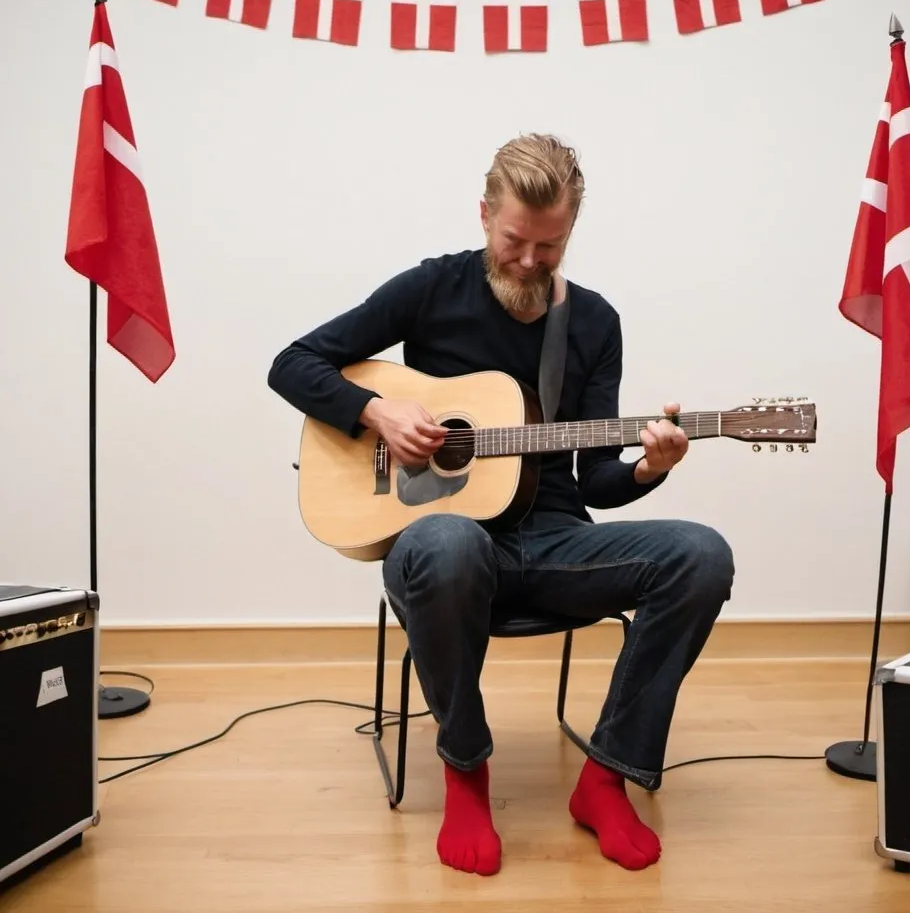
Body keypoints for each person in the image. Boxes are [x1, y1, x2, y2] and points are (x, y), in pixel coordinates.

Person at [267, 133, 735, 876]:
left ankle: (607, 776)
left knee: (702, 555)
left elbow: (595, 483)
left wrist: (649, 468)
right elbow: (291, 363)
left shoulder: (592, 322)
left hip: (553, 540)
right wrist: (375, 413)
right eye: (515, 239)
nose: (528, 261)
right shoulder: (430, 289)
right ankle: (464, 770)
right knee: (450, 545)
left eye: (549, 248)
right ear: (486, 216)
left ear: (571, 233)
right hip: (439, 542)